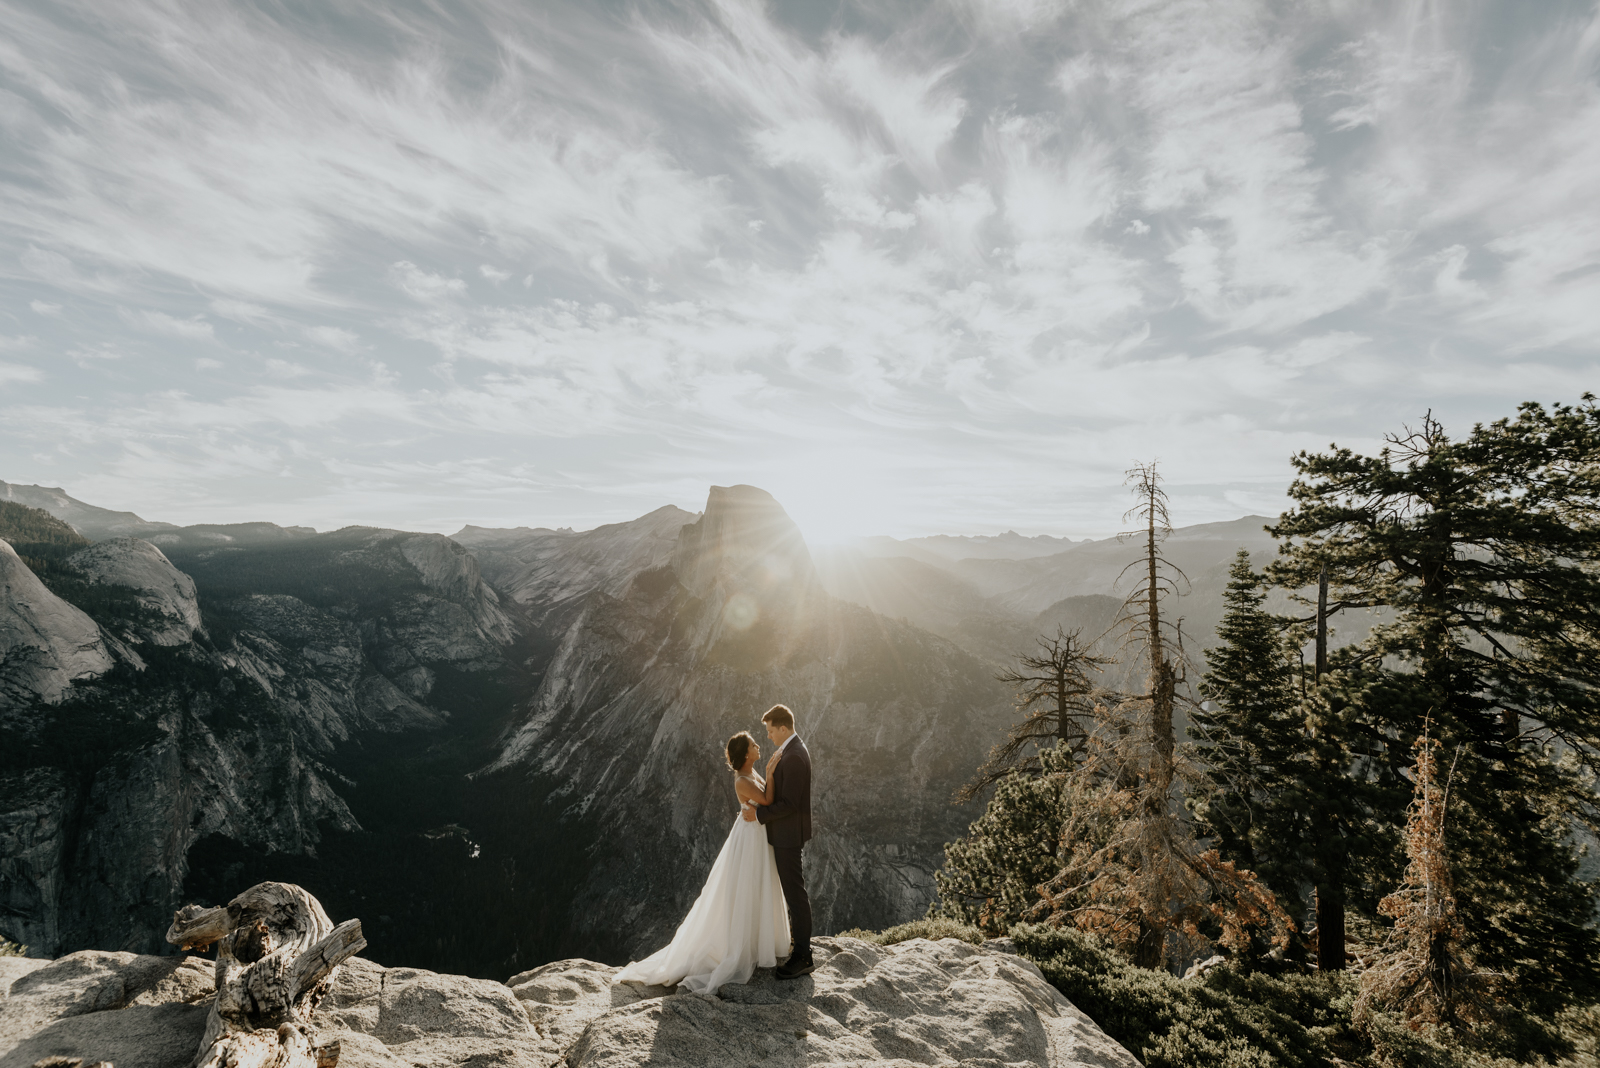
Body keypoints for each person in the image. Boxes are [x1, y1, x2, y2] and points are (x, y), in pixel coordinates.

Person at [612, 729, 790, 994]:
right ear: (745, 754)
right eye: (753, 744)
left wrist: (767, 774)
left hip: (756, 833)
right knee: (747, 886)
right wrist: (772, 772)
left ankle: (757, 941)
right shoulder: (742, 779)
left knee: (758, 884)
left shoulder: (750, 773)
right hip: (750, 838)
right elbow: (767, 799)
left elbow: (765, 800)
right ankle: (741, 946)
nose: (758, 746)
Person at [742, 703, 814, 979]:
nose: (769, 736)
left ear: (783, 728)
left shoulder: (794, 756)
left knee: (795, 894)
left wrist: (759, 815)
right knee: (793, 892)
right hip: (784, 834)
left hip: (787, 836)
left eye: (771, 730)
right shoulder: (790, 751)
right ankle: (799, 949)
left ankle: (803, 956)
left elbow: (790, 804)